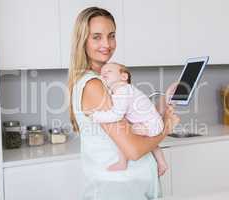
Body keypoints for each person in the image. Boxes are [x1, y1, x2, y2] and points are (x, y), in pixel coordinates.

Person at [68, 7, 180, 200]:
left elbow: (133, 121)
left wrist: (164, 101)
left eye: (111, 36)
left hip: (131, 187)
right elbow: (133, 150)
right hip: (118, 190)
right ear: (82, 40)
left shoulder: (106, 80)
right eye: (96, 37)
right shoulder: (94, 85)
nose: (107, 44)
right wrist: (166, 127)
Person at [89, 62, 168, 176]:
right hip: (147, 121)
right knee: (144, 142)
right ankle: (161, 162)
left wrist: (96, 116)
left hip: (152, 124)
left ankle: (123, 162)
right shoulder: (119, 91)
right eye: (101, 74)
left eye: (109, 71)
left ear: (124, 77)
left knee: (129, 136)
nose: (103, 74)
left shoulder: (123, 90)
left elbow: (116, 115)